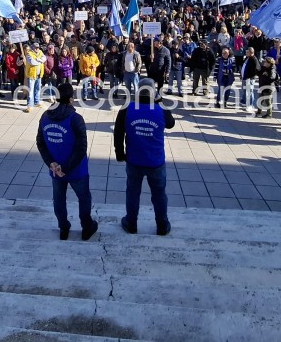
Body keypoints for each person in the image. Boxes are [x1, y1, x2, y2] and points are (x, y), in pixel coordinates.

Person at [113, 78, 176, 236]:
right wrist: (160, 100)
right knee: (159, 194)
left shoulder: (127, 108)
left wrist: (120, 153)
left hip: (134, 159)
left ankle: (131, 223)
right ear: (153, 92)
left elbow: (118, 132)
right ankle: (162, 225)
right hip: (156, 161)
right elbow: (171, 123)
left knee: (133, 193)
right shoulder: (160, 109)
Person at [35, 82, 98, 241]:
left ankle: (63, 228)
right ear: (70, 99)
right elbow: (81, 147)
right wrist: (67, 167)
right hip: (76, 170)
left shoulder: (45, 117)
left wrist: (51, 163)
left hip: (56, 170)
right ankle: (87, 228)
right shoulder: (75, 119)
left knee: (59, 200)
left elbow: (40, 143)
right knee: (84, 198)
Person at [24, 42, 47, 112]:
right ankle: (29, 105)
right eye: (35, 48)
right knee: (30, 91)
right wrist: (40, 61)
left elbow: (44, 58)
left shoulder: (40, 52)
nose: (37, 49)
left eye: (38, 47)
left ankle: (36, 102)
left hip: (39, 75)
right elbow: (32, 62)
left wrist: (38, 60)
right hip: (31, 75)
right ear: (32, 48)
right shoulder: (29, 54)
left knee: (37, 89)